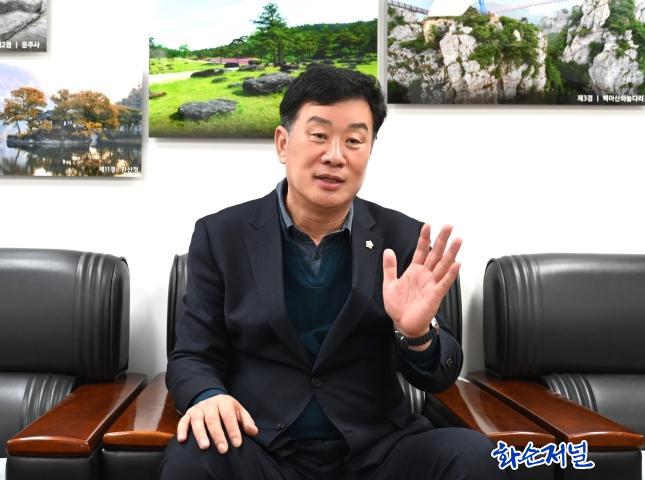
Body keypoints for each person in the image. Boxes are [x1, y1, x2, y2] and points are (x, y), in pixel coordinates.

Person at [159, 65, 506, 480]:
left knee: (474, 457)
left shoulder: (404, 238)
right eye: (319, 135)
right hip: (261, 449)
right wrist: (207, 395)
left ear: (370, 151)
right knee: (193, 457)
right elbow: (193, 354)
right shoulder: (222, 235)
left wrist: (416, 335)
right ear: (283, 143)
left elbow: (442, 373)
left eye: (354, 141)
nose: (335, 156)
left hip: (378, 453)